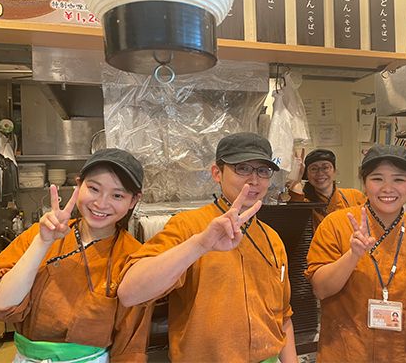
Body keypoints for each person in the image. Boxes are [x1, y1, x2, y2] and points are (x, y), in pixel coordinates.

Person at [118, 132, 297, 363]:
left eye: (263, 171)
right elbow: (130, 293)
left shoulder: (272, 239)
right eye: (242, 168)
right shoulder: (188, 227)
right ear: (217, 173)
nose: (254, 180)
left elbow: (283, 318)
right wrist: (200, 245)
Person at [0, 148, 153, 363]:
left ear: (133, 201)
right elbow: (0, 306)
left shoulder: (134, 257)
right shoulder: (37, 236)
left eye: (117, 195)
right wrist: (43, 242)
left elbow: (131, 344)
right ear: (78, 185)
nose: (101, 203)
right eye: (94, 188)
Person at [305, 144, 406, 362]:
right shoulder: (336, 225)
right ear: (364, 184)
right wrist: (353, 255)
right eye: (377, 179)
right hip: (347, 355)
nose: (388, 188)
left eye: (399, 179)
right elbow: (320, 289)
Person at [288, 148, 366, 230]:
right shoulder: (306, 203)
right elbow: (294, 215)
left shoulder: (355, 196)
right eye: (314, 169)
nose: (320, 173)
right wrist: (297, 178)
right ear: (307, 174)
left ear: (334, 171)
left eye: (325, 168)